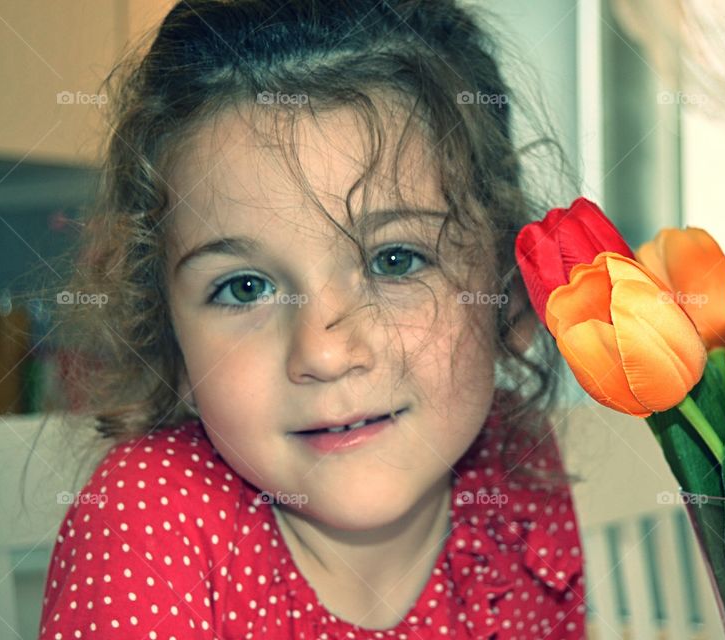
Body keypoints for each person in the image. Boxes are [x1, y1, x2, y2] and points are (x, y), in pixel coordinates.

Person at [37, 1, 587, 637]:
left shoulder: (517, 467)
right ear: (170, 346)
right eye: (244, 288)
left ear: (512, 298)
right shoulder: (148, 517)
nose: (324, 353)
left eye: (394, 260)